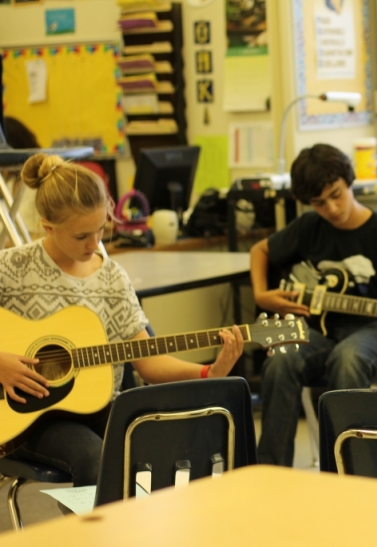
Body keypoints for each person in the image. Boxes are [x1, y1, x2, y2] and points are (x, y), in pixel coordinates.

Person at [0, 153, 244, 487]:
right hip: (31, 417)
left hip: (102, 409)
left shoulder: (112, 278)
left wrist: (208, 372)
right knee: (94, 459)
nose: (95, 243)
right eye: (81, 236)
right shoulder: (12, 268)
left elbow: (149, 362)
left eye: (101, 229)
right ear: (48, 226)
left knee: (166, 447)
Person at [250, 143, 377, 466]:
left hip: (376, 330)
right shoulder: (308, 229)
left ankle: (346, 470)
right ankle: (270, 474)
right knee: (280, 361)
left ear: (349, 181)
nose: (331, 208)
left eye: (336, 194)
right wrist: (262, 295)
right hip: (321, 330)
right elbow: (260, 250)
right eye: (319, 202)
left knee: (349, 359)